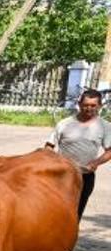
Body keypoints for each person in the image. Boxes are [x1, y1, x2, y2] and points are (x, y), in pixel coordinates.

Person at [45, 88, 111, 219]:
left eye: (93, 105)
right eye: (85, 105)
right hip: (60, 176)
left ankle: (68, 239)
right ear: (79, 104)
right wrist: (52, 161)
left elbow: (109, 151)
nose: (89, 108)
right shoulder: (64, 124)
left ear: (99, 106)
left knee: (75, 215)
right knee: (52, 212)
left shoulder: (105, 126)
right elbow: (49, 146)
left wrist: (96, 162)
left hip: (85, 177)